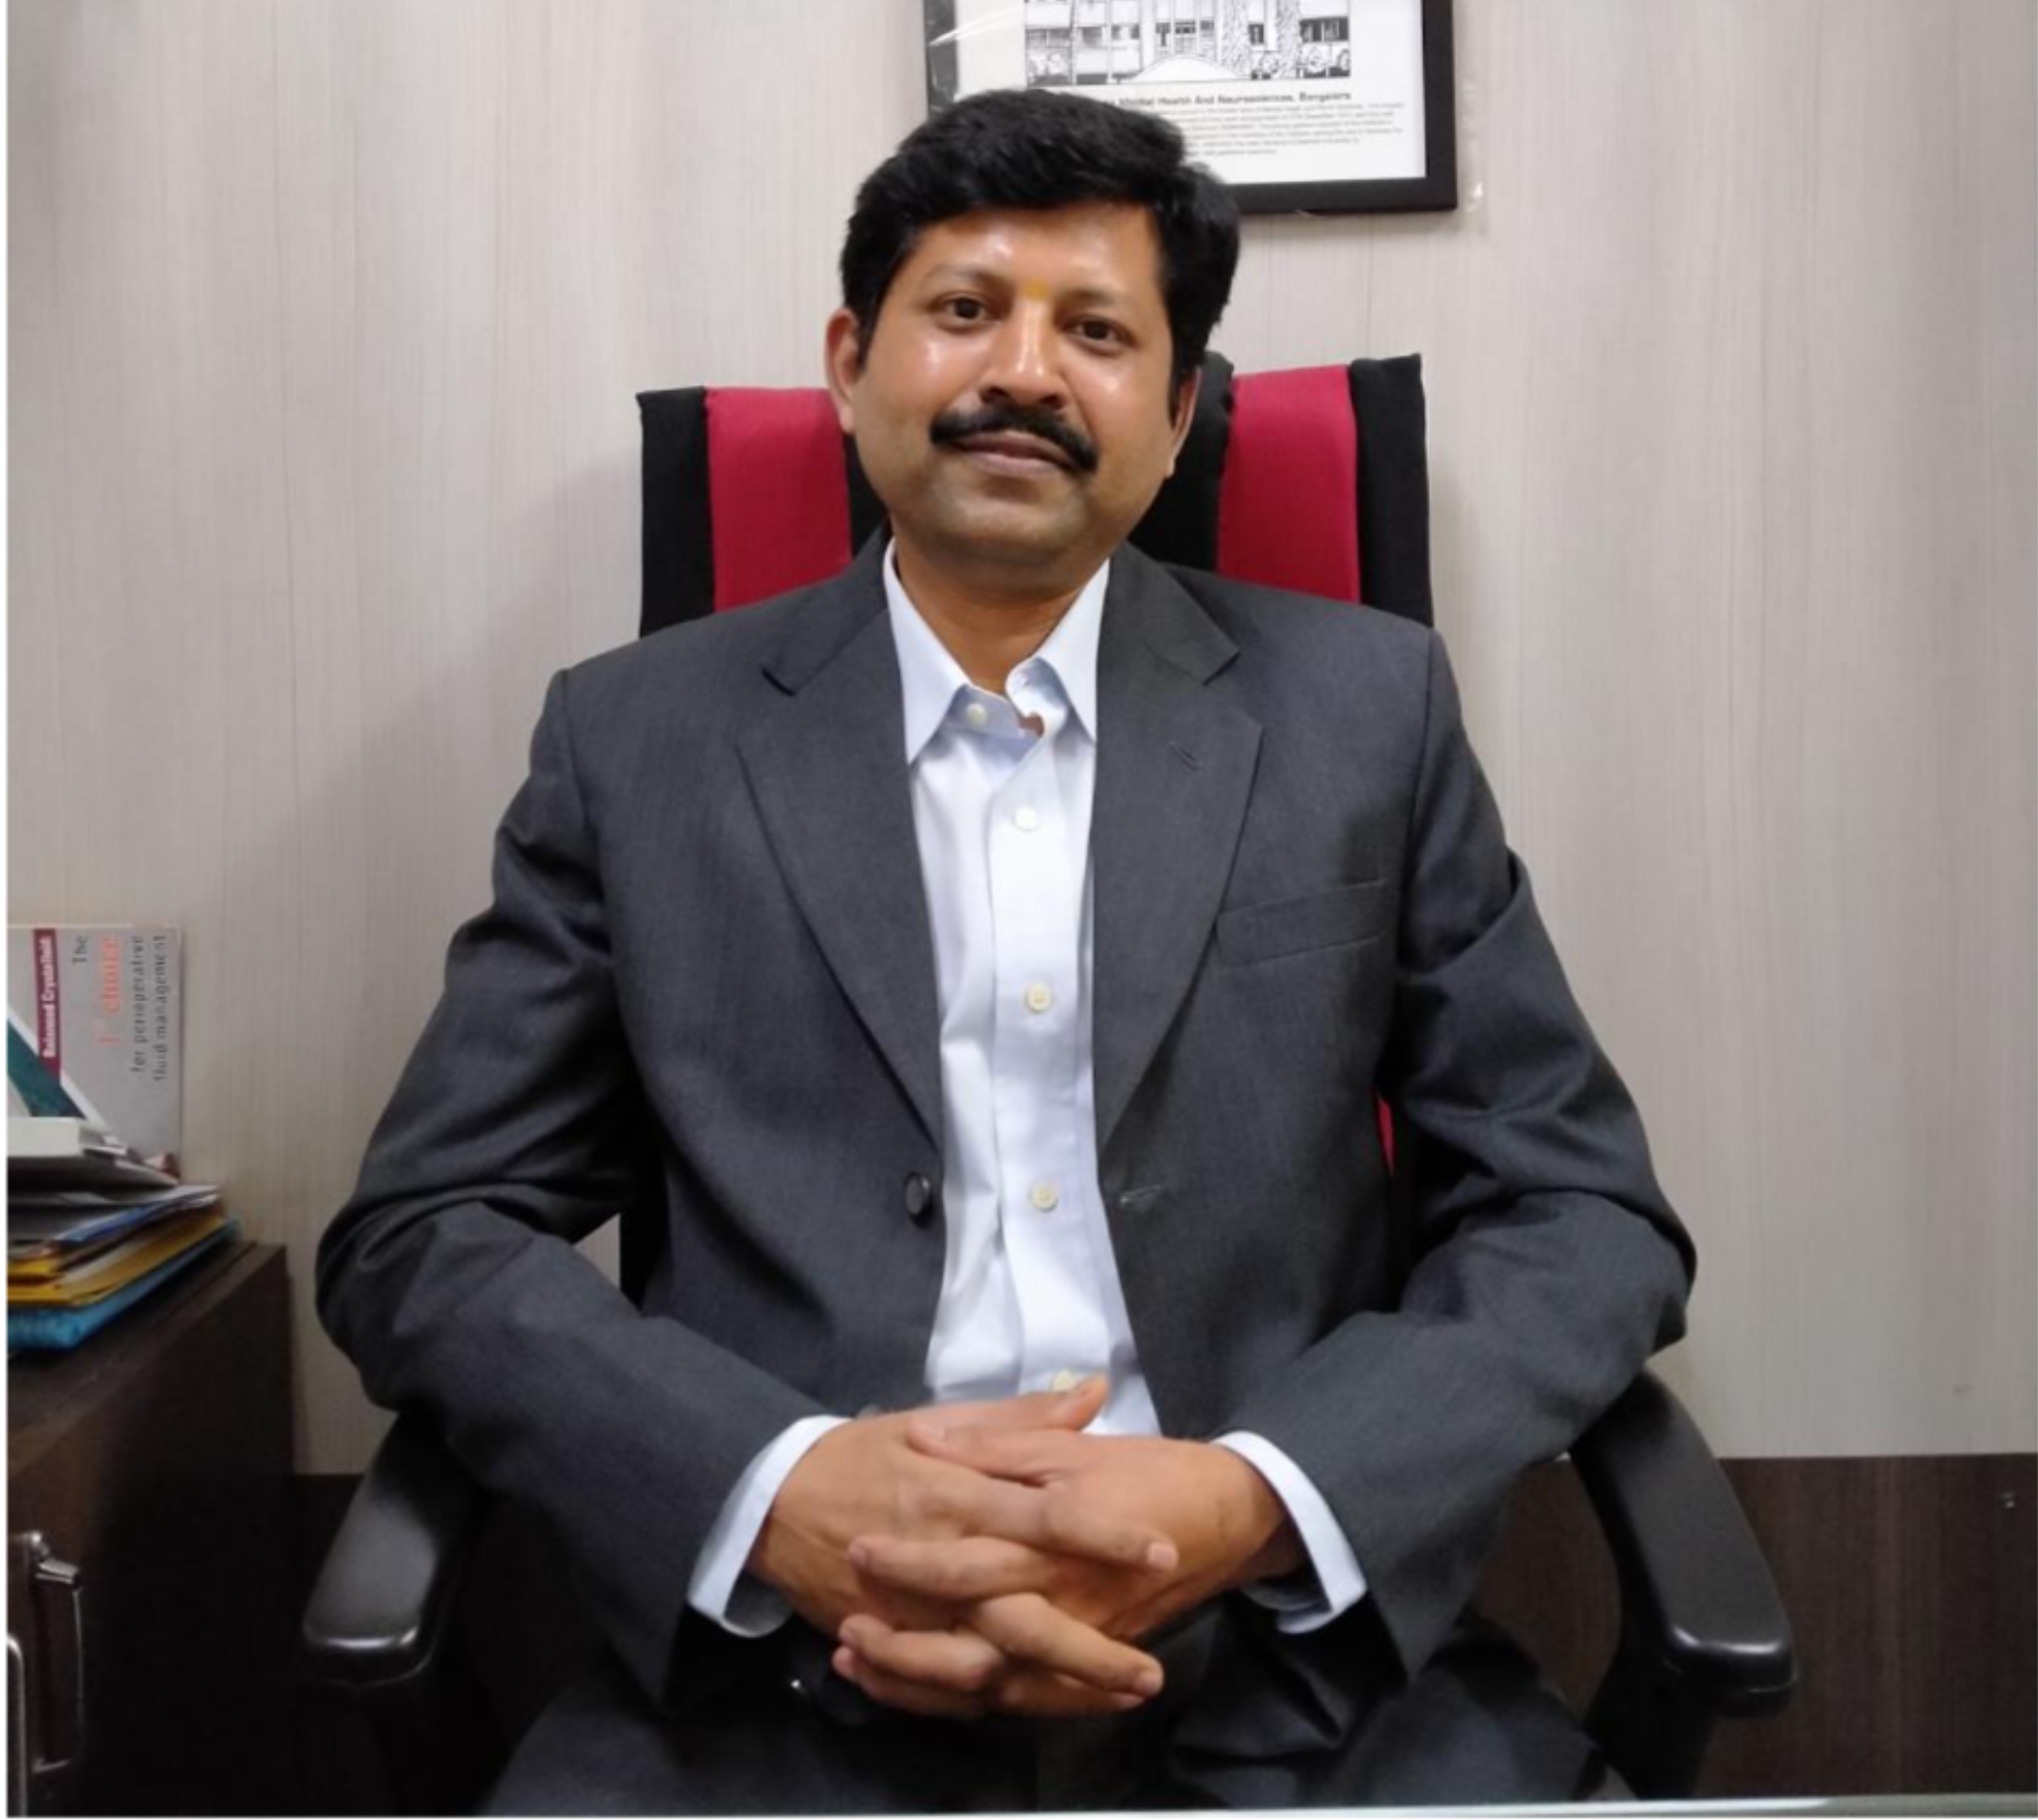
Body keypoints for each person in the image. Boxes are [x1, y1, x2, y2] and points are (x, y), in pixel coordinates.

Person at [319, 87, 1693, 1813]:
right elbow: (425, 1234)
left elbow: (1582, 1212)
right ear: (851, 363)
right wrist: (777, 1488)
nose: (1025, 372)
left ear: (1177, 415)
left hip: (1291, 1675)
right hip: (772, 1690)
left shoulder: (1366, 715)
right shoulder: (636, 744)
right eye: (965, 308)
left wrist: (1255, 1495)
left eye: (1098, 332)